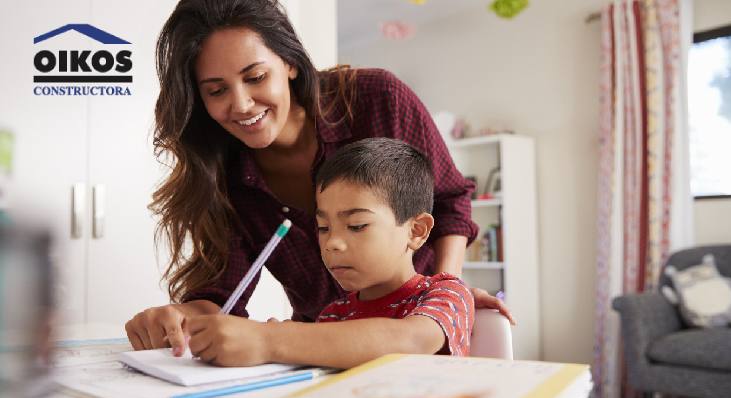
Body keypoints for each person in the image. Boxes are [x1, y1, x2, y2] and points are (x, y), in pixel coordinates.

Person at [125, 0, 514, 356]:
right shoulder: (224, 174)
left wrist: (445, 288)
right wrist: (179, 318)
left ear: (289, 63)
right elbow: (221, 296)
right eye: (216, 90)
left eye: (256, 77)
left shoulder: (378, 99)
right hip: (318, 352)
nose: (241, 104)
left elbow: (448, 202)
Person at [185, 138, 474, 367]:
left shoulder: (446, 294)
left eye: (357, 225)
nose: (332, 243)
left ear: (417, 231)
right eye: (323, 227)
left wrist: (269, 340)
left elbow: (410, 341)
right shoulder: (335, 316)